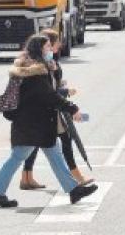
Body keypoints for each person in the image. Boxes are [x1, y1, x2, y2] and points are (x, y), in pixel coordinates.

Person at [0, 35, 97, 208]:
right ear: (39, 49)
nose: (50, 50)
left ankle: (73, 190)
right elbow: (49, 96)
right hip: (32, 125)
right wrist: (72, 107)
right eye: (47, 47)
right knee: (18, 157)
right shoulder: (36, 72)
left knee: (54, 154)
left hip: (36, 124)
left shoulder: (29, 67)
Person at [20, 29, 92, 190]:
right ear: (47, 45)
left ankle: (27, 177)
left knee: (35, 145)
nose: (60, 44)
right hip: (50, 110)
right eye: (56, 42)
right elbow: (46, 91)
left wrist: (60, 84)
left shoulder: (49, 62)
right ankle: (75, 178)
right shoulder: (43, 65)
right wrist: (65, 93)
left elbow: (49, 87)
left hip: (50, 109)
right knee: (64, 140)